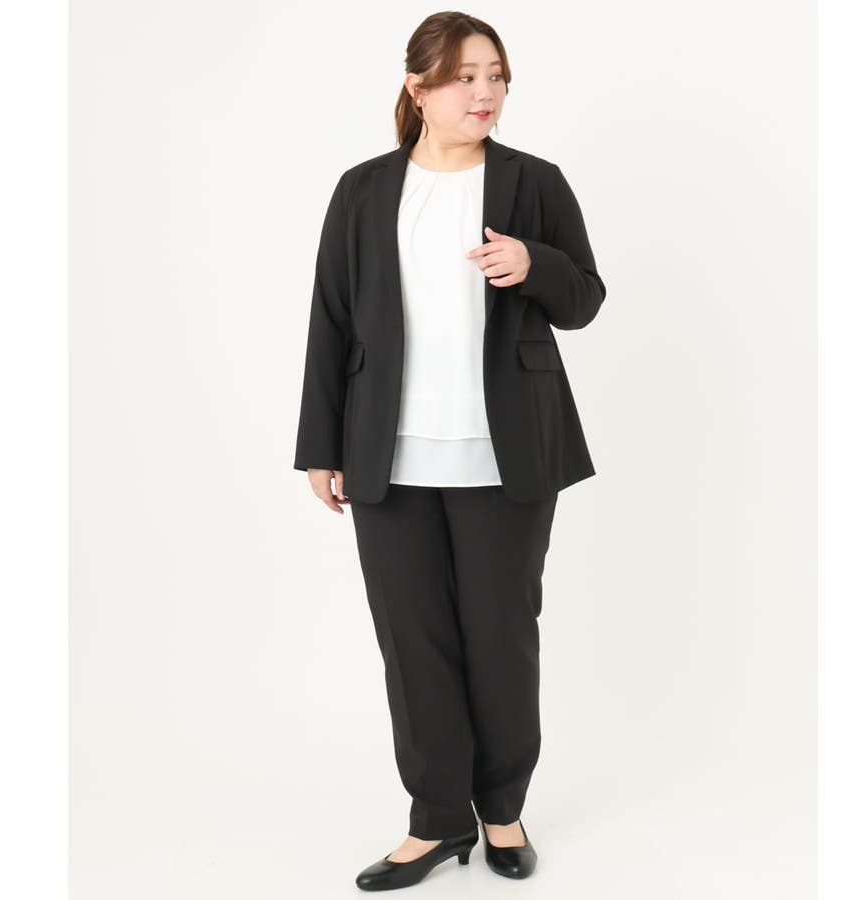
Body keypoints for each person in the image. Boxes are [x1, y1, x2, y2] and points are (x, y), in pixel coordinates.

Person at [293, 11, 607, 891]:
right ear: (418, 86)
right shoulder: (363, 190)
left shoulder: (534, 182)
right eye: (466, 76)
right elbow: (330, 320)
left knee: (501, 638)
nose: (485, 92)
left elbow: (585, 298)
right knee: (413, 642)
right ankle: (436, 821)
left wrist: (534, 264)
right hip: (385, 454)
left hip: (507, 453)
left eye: (496, 75)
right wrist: (321, 445)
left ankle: (501, 810)